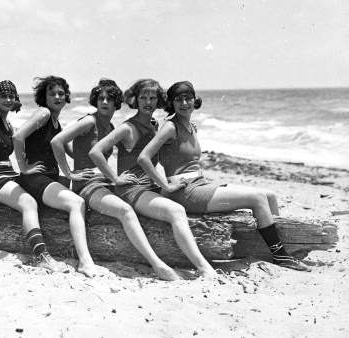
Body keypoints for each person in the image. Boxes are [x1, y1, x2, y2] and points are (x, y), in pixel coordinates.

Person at [137, 81, 310, 271]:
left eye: (188, 98)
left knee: (269, 196)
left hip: (200, 184)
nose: (184, 103)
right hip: (185, 192)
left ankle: (274, 247)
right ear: (172, 103)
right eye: (178, 99)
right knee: (257, 198)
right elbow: (144, 158)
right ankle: (281, 256)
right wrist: (166, 186)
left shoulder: (191, 126)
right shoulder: (171, 127)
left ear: (195, 100)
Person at [51, 79, 182, 280]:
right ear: (95, 100)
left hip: (102, 182)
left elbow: (76, 146)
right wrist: (70, 173)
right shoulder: (89, 121)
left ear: (116, 103)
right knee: (125, 211)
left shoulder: (110, 125)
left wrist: (77, 155)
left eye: (110, 99)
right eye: (101, 98)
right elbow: (57, 141)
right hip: (86, 184)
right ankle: (157, 265)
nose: (104, 102)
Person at [89, 79, 216, 278]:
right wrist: (114, 178)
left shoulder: (155, 125)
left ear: (159, 100)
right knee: (177, 211)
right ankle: (197, 267)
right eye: (143, 97)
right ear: (135, 100)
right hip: (131, 189)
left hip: (148, 189)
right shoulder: (127, 127)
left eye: (152, 97)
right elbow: (95, 151)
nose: (148, 102)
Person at [0, 80, 63, 272]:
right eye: (4, 96)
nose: (8, 100)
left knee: (35, 197)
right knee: (28, 202)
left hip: (7, 174)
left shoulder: (8, 124)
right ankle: (42, 256)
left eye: (11, 96)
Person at [13, 76, 97, 277]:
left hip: (47, 179)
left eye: (61, 93)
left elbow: (69, 152)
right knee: (76, 203)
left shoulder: (56, 123)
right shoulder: (43, 113)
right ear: (44, 96)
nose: (58, 97)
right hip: (34, 179)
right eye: (52, 93)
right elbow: (17, 137)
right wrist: (23, 167)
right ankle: (85, 261)